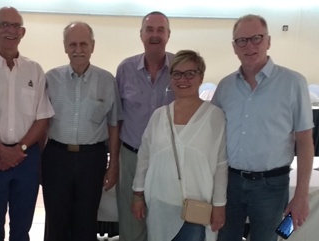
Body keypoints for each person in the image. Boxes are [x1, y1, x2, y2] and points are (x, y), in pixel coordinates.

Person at [212, 14, 314, 241]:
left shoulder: (293, 83)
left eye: (256, 38)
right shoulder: (225, 87)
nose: (249, 46)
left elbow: (305, 142)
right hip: (230, 183)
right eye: (242, 41)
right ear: (234, 48)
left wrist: (301, 196)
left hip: (271, 186)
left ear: (268, 41)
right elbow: (212, 136)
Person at [0, 6, 54, 241]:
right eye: (4, 24)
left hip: (26, 158)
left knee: (22, 227)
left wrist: (19, 149)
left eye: (15, 26)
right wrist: (1, 150)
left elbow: (43, 116)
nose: (10, 30)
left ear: (22, 32)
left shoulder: (34, 70)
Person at [131, 50, 227, 241]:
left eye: (190, 73)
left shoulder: (214, 116)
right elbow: (144, 157)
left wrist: (219, 205)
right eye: (177, 74)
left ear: (201, 77)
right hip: (160, 205)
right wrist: (138, 195)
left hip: (196, 208)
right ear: (171, 78)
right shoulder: (159, 115)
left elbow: (221, 165)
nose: (183, 79)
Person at [42, 21, 121, 241]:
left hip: (92, 159)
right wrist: (39, 160)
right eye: (73, 44)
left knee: (86, 222)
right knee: (56, 220)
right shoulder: (50, 79)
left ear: (93, 46)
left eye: (84, 44)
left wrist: (113, 165)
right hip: (56, 157)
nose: (78, 49)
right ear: (65, 47)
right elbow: (41, 124)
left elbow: (114, 124)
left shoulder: (107, 81)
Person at [115, 11, 175, 241]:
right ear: (141, 34)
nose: (155, 35)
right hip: (132, 156)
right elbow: (117, 118)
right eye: (149, 29)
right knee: (132, 224)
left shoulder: (180, 69)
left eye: (160, 30)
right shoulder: (125, 70)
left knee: (164, 223)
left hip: (168, 159)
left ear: (168, 35)